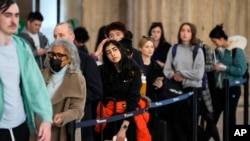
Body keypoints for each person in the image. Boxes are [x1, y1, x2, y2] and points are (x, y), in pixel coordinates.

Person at [0, 1, 52, 141]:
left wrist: (46, 119)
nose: (13, 20)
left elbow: (36, 85)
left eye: (16, 15)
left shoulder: (22, 47)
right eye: (7, 15)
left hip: (20, 125)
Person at [54, 22, 103, 141]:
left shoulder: (86, 61)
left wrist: (72, 99)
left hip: (81, 122)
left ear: (72, 37)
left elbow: (96, 91)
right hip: (57, 123)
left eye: (61, 35)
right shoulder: (52, 61)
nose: (57, 40)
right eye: (55, 36)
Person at [95, 40, 151, 141]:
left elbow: (133, 98)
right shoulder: (102, 71)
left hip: (128, 116)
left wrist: (124, 128)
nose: (112, 54)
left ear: (120, 50)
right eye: (108, 52)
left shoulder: (133, 69)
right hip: (108, 116)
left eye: (114, 49)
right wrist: (97, 53)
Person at [163, 22, 205, 141]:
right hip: (176, 90)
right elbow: (167, 69)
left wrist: (182, 73)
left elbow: (198, 73)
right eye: (183, 30)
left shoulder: (197, 50)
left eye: (188, 31)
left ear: (192, 34)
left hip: (192, 91)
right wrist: (173, 75)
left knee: (190, 125)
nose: (185, 33)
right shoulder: (174, 49)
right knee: (176, 124)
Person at [207, 24, 247, 140]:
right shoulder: (217, 52)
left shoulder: (236, 51)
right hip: (219, 89)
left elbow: (241, 69)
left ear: (221, 39)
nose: (214, 43)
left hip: (232, 89)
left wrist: (224, 68)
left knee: (230, 119)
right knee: (212, 118)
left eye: (215, 41)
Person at [138, 36, 165, 141]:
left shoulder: (156, 66)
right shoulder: (135, 65)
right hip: (138, 103)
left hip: (152, 106)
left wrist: (160, 85)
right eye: (147, 47)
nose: (150, 49)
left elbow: (162, 88)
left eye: (152, 47)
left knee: (152, 132)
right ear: (140, 48)